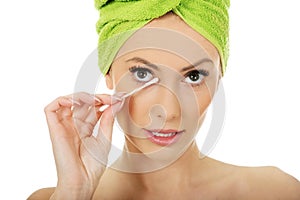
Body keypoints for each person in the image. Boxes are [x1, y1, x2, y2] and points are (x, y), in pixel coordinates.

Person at [28, 0, 300, 199]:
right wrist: (74, 192)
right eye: (142, 73)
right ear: (108, 71)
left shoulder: (277, 192)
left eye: (194, 76)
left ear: (219, 79)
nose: (168, 111)